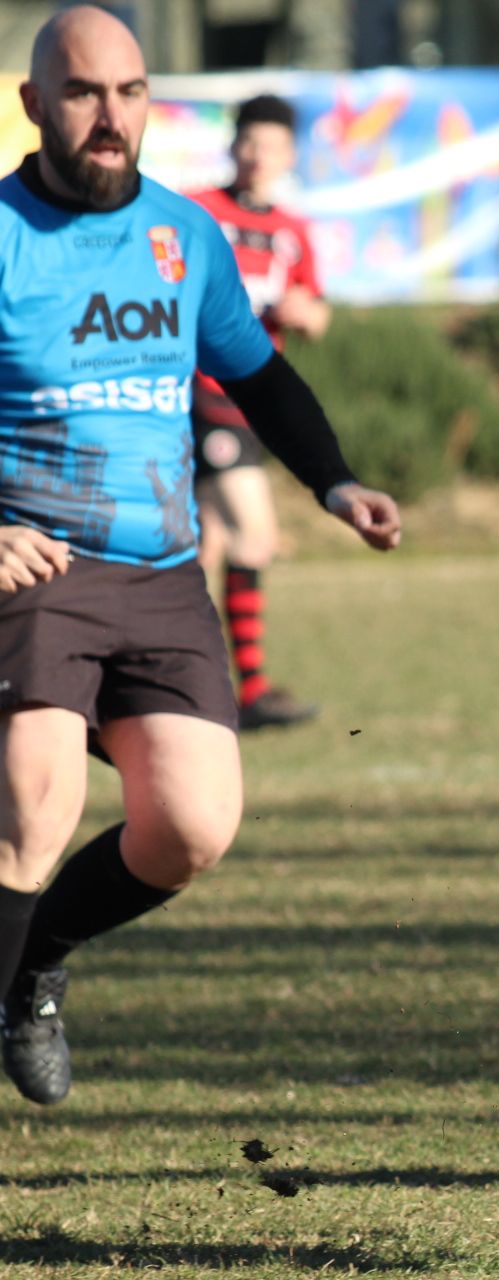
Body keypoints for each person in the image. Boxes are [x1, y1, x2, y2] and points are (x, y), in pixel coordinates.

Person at [0, 6, 402, 1108]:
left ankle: (31, 966)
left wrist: (335, 479)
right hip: (34, 567)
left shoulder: (185, 236)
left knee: (189, 828)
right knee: (30, 805)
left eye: (129, 93)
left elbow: (261, 375)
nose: (108, 115)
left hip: (162, 574)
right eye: (82, 93)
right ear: (35, 105)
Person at [187, 94, 330, 731]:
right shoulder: (196, 213)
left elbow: (318, 310)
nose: (256, 155)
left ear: (289, 155)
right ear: (232, 145)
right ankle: (252, 689)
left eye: (269, 145)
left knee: (203, 547)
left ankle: (187, 687)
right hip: (198, 395)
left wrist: (306, 315)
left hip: (253, 402)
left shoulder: (293, 232)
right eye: (248, 142)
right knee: (255, 532)